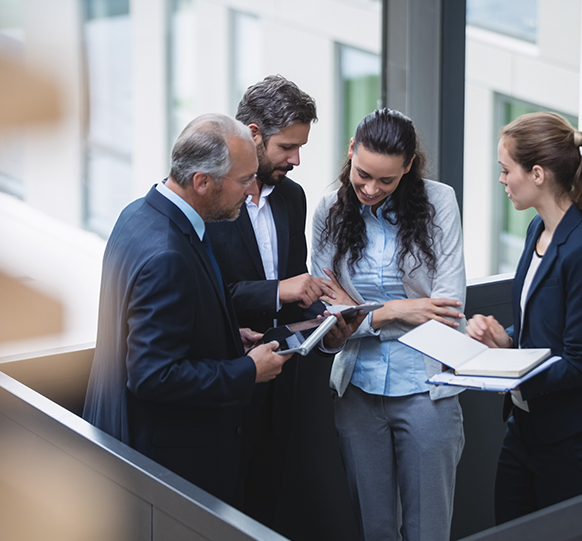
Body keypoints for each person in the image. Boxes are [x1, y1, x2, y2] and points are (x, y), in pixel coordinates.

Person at [82, 113, 294, 504]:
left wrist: (230, 336)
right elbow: (152, 374)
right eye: (245, 180)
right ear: (202, 182)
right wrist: (246, 370)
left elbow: (160, 328)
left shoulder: (137, 214)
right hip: (166, 465)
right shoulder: (168, 255)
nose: (251, 194)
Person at [465, 112, 582, 523]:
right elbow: (536, 333)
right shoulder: (537, 230)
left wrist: (503, 371)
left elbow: (580, 363)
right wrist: (503, 339)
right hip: (525, 429)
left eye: (506, 170)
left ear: (537, 174)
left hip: (573, 440)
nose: (501, 180)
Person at [311, 108, 467, 541]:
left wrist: (359, 312)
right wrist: (398, 310)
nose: (370, 188)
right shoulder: (328, 210)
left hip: (427, 390)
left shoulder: (439, 203)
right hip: (357, 390)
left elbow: (447, 311)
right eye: (362, 174)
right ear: (350, 152)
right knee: (375, 531)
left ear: (409, 168)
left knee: (427, 532)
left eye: (386, 180)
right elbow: (328, 315)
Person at [207, 74, 344, 527]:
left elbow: (297, 291)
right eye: (287, 147)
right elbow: (208, 297)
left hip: (281, 392)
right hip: (223, 391)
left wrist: (327, 325)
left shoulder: (292, 197)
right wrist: (278, 289)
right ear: (253, 135)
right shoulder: (209, 199)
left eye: (300, 146)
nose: (297, 159)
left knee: (265, 516)